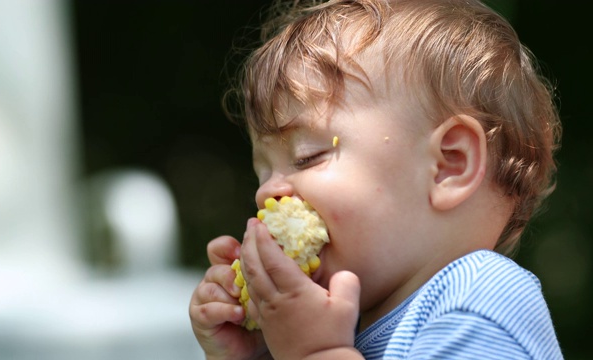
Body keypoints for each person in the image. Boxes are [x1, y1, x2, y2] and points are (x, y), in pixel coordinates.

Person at [189, 0, 563, 358]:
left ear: (450, 164)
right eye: (262, 173)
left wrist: (316, 353)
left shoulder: (478, 305)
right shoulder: (342, 327)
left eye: (307, 157)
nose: (267, 193)